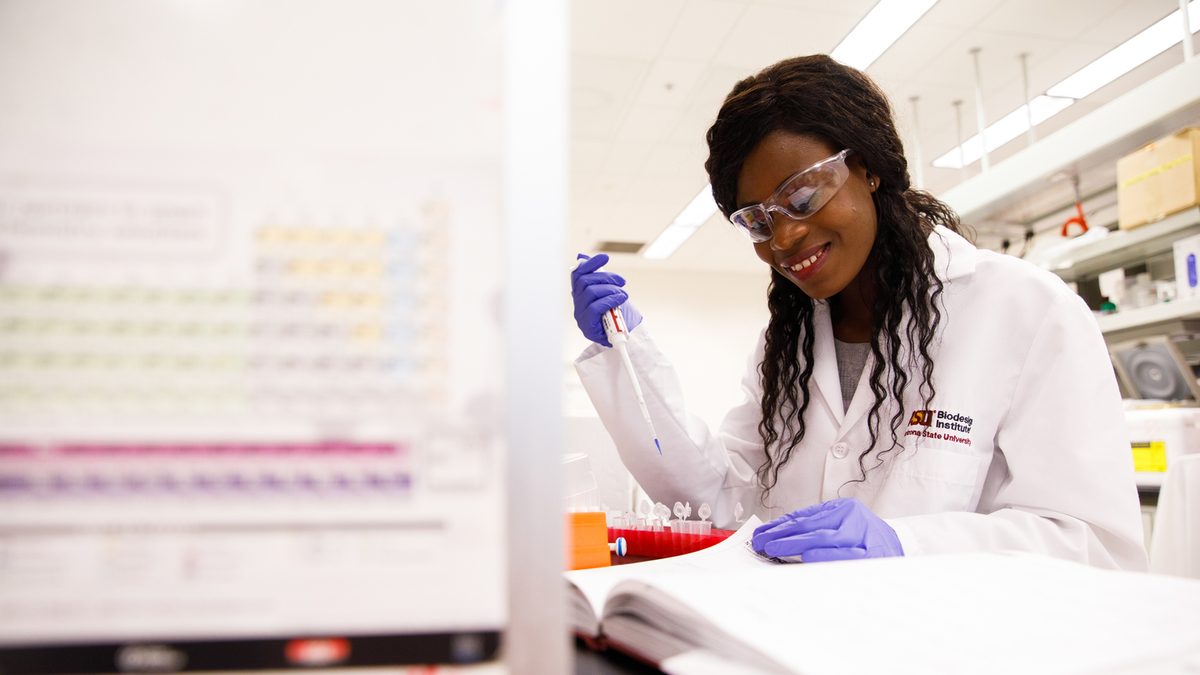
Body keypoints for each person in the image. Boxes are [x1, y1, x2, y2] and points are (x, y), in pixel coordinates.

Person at [570, 55, 1147, 570]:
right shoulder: (788, 343)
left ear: (869, 167)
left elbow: (1096, 545)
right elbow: (720, 501)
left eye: (802, 196)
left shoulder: (1025, 311)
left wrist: (909, 544)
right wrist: (626, 355)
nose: (786, 236)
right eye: (758, 220)